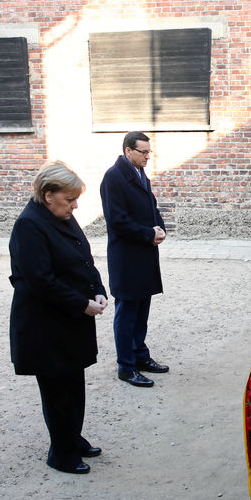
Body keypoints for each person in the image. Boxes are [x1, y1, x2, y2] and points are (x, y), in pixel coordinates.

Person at [9, 161, 107, 474]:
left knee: (73, 383)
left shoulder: (60, 214)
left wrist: (98, 289)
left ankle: (71, 438)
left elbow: (83, 258)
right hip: (44, 325)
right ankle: (61, 454)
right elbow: (40, 280)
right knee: (57, 391)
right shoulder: (30, 225)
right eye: (69, 199)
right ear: (49, 195)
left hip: (69, 318)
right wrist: (81, 304)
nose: (75, 205)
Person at [100, 131, 169, 388]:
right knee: (127, 311)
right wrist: (147, 233)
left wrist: (159, 228)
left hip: (144, 252)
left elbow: (151, 206)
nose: (147, 156)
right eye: (143, 152)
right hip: (127, 256)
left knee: (142, 310)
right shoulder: (113, 177)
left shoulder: (140, 174)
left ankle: (140, 356)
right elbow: (117, 220)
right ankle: (126, 366)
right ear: (128, 151)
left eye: (149, 152)